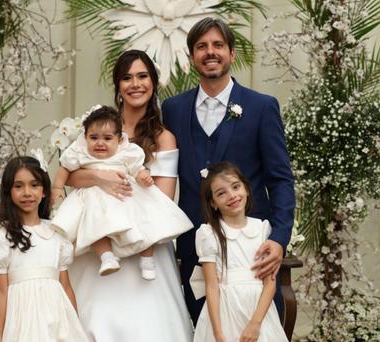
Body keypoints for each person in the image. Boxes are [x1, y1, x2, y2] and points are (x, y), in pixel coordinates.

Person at [161, 17, 295, 323]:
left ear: (232, 54)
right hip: (196, 249)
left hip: (251, 253)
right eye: (202, 46)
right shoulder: (173, 109)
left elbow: (281, 179)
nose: (211, 52)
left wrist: (279, 237)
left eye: (218, 45)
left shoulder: (262, 107)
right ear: (192, 57)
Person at [64, 50, 193, 341]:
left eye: (142, 76)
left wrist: (124, 220)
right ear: (118, 86)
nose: (135, 84)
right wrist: (100, 176)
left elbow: (162, 199)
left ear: (153, 81)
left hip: (143, 239)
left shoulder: (163, 137)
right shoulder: (99, 127)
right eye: (127, 78)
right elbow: (71, 175)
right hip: (99, 238)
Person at [51, 105, 192, 280]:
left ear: (119, 139)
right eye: (93, 137)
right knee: (94, 226)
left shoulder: (125, 152)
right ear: (85, 137)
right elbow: (65, 169)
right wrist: (57, 187)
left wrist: (143, 177)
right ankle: (107, 257)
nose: (100, 143)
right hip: (94, 200)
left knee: (143, 222)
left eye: (107, 138)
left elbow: (137, 169)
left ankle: (147, 259)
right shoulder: (80, 152)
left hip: (125, 196)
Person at [0, 156, 88, 342]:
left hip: (56, 319)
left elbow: (66, 287)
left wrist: (75, 324)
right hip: (20, 322)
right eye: (18, 186)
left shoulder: (57, 235)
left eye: (34, 185)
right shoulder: (1, 239)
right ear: (8, 192)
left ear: (44, 190)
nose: (27, 192)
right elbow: (0, 292)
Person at [192, 162, 288, 342]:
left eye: (236, 187)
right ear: (213, 203)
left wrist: (255, 324)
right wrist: (218, 334)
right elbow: (211, 287)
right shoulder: (209, 234)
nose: (232, 195)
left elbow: (269, 284)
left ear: (246, 189)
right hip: (225, 312)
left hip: (258, 313)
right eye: (221, 193)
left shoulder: (262, 229)